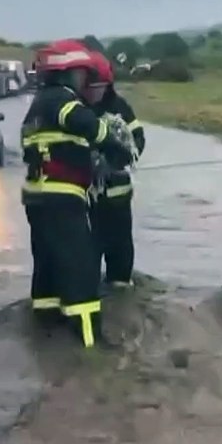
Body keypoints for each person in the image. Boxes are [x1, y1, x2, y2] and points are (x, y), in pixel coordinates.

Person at [20, 40, 132, 347]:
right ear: (67, 73)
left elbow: (53, 147)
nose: (85, 81)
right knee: (81, 264)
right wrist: (115, 147)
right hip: (62, 198)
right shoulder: (63, 99)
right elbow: (86, 124)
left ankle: (45, 328)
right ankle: (90, 343)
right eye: (82, 74)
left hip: (37, 196)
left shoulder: (37, 105)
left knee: (47, 262)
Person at [83, 51, 147, 288]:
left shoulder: (120, 107)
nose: (95, 93)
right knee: (86, 253)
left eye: (99, 87)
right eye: (90, 87)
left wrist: (114, 161)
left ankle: (121, 289)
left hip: (118, 197)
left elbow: (138, 140)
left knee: (120, 251)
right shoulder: (76, 108)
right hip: (85, 200)